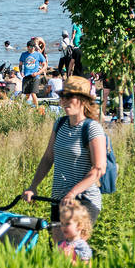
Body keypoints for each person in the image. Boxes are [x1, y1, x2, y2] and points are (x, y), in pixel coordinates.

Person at [24, 75, 107, 224]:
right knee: (58, 246)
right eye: (63, 96)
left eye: (69, 96)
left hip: (83, 200)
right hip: (59, 199)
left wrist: (72, 193)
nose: (64, 101)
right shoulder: (60, 123)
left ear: (83, 100)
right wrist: (33, 186)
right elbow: (48, 158)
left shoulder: (92, 128)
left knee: (70, 246)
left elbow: (99, 169)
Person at [56, 199, 94, 263]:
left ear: (80, 225)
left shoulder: (81, 247)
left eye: (67, 224)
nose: (63, 227)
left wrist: (68, 260)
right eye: (62, 223)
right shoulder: (62, 244)